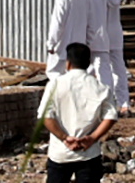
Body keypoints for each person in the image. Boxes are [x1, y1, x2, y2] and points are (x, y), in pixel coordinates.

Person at [38, 41, 119, 183]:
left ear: (68, 63)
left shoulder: (55, 85)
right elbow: (111, 116)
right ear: (88, 63)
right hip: (88, 153)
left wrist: (64, 137)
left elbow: (46, 116)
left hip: (60, 154)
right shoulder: (101, 88)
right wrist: (92, 138)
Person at [88, 0, 128, 107]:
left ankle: (122, 103)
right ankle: (105, 101)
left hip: (108, 32)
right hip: (102, 33)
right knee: (99, 68)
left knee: (116, 67)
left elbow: (115, 2)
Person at [47, 0, 94, 78]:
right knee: (76, 75)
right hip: (79, 43)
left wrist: (51, 43)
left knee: (54, 73)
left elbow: (57, 22)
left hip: (63, 44)